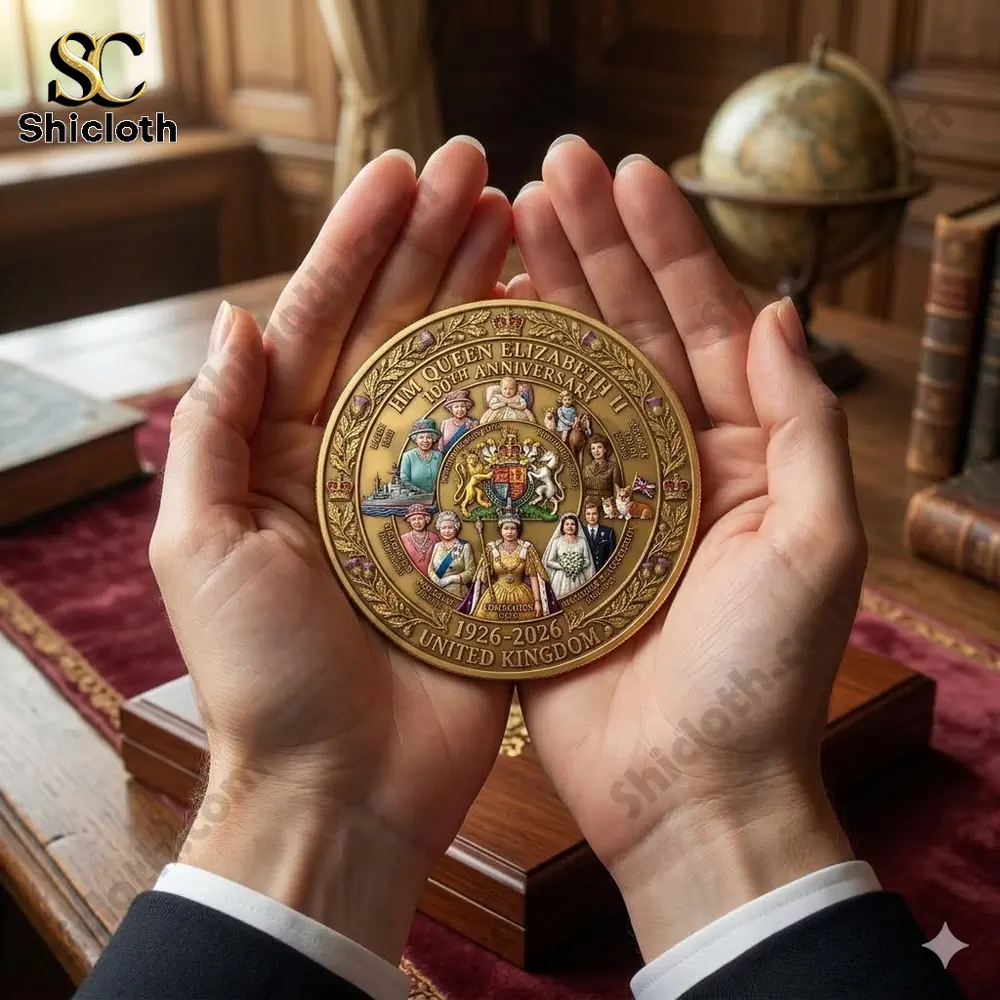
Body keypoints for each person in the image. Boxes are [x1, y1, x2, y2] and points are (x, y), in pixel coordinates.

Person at [76, 137, 963, 1000]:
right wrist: (307, 784)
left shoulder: (561, 498)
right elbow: (447, 530)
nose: (509, 508)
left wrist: (714, 798)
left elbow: (558, 546)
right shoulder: (442, 495)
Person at [457, 510, 558, 619]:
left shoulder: (527, 549)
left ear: (518, 530)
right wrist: (485, 570)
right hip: (495, 595)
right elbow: (483, 580)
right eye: (506, 528)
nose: (509, 532)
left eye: (513, 528)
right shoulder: (491, 549)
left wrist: (537, 601)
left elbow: (533, 576)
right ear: (500, 530)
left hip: (522, 596)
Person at [542, 511, 595, 599]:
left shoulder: (582, 541)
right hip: (560, 579)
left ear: (576, 527)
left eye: (572, 524)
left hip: (578, 578)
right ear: (562, 527)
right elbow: (550, 562)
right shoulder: (557, 541)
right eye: (567, 524)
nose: (570, 527)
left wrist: (576, 565)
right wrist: (565, 566)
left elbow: (587, 561)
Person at [427, 510, 475, 598]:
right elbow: (430, 568)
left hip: (457, 592)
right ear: (439, 528)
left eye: (450, 527)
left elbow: (471, 572)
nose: (447, 531)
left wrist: (451, 579)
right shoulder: (437, 546)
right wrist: (436, 580)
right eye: (443, 528)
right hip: (437, 592)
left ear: (456, 528)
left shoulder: (464, 546)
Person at [398, 503, 440, 576]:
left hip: (432, 577)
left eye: (420, 518)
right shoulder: (403, 539)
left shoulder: (434, 538)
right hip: (410, 577)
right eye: (413, 519)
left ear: (426, 519)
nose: (417, 522)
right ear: (409, 521)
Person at [581, 434, 622, 502]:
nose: (596, 451)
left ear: (605, 449)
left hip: (606, 504)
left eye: (599, 447)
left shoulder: (613, 467)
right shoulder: (586, 469)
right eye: (593, 448)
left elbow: (617, 491)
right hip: (588, 504)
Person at [582, 497, 616, 572]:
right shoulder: (581, 533)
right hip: (585, 572)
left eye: (594, 514)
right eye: (588, 514)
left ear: (599, 514)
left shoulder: (608, 532)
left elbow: (612, 556)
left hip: (603, 572)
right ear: (584, 515)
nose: (591, 517)